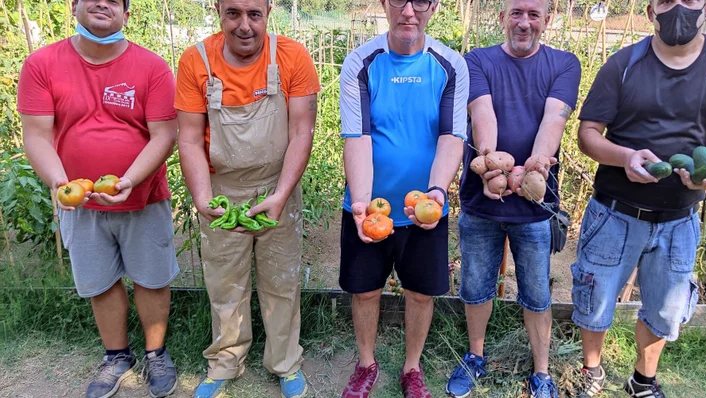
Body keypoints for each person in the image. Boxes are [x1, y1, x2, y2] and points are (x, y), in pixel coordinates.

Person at [572, 1, 706, 397]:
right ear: (651, 10)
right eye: (665, 0)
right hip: (614, 213)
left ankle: (642, 380)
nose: (678, 8)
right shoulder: (624, 63)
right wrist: (624, 157)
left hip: (679, 217)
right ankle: (592, 371)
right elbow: (588, 133)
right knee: (594, 300)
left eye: (689, 0)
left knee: (664, 311)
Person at [17, 0, 180, 397]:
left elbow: (164, 134)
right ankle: (116, 355)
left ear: (127, 14)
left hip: (144, 197)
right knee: (99, 281)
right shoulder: (42, 64)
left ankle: (156, 353)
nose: (102, 3)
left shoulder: (152, 67)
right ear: (74, 5)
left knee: (152, 278)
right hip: (78, 202)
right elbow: (37, 135)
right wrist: (60, 184)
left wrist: (129, 180)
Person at [174, 0, 320, 396]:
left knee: (281, 280)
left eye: (254, 14)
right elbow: (187, 138)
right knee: (224, 282)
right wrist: (203, 198)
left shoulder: (291, 56)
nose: (243, 25)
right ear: (217, 10)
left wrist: (281, 195)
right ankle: (225, 362)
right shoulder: (196, 61)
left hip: (278, 188)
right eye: (232, 13)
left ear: (269, 12)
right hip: (220, 192)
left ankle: (285, 362)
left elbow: (301, 133)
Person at [444, 0, 581, 397]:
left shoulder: (564, 64)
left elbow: (554, 118)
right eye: (516, 13)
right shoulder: (478, 60)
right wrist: (490, 165)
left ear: (547, 20)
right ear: (502, 18)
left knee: (537, 294)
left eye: (533, 15)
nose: (524, 23)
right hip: (481, 202)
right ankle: (475, 356)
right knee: (474, 287)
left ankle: (542, 372)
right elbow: (480, 112)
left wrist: (537, 167)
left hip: (535, 208)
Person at [337, 0, 468, 396]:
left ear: (435, 7)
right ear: (384, 4)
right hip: (370, 208)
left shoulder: (450, 64)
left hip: (426, 205)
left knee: (421, 292)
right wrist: (361, 204)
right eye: (399, 0)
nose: (409, 10)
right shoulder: (360, 62)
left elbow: (451, 136)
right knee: (365, 290)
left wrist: (436, 192)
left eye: (421, 1)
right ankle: (365, 363)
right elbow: (357, 136)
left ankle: (412, 368)